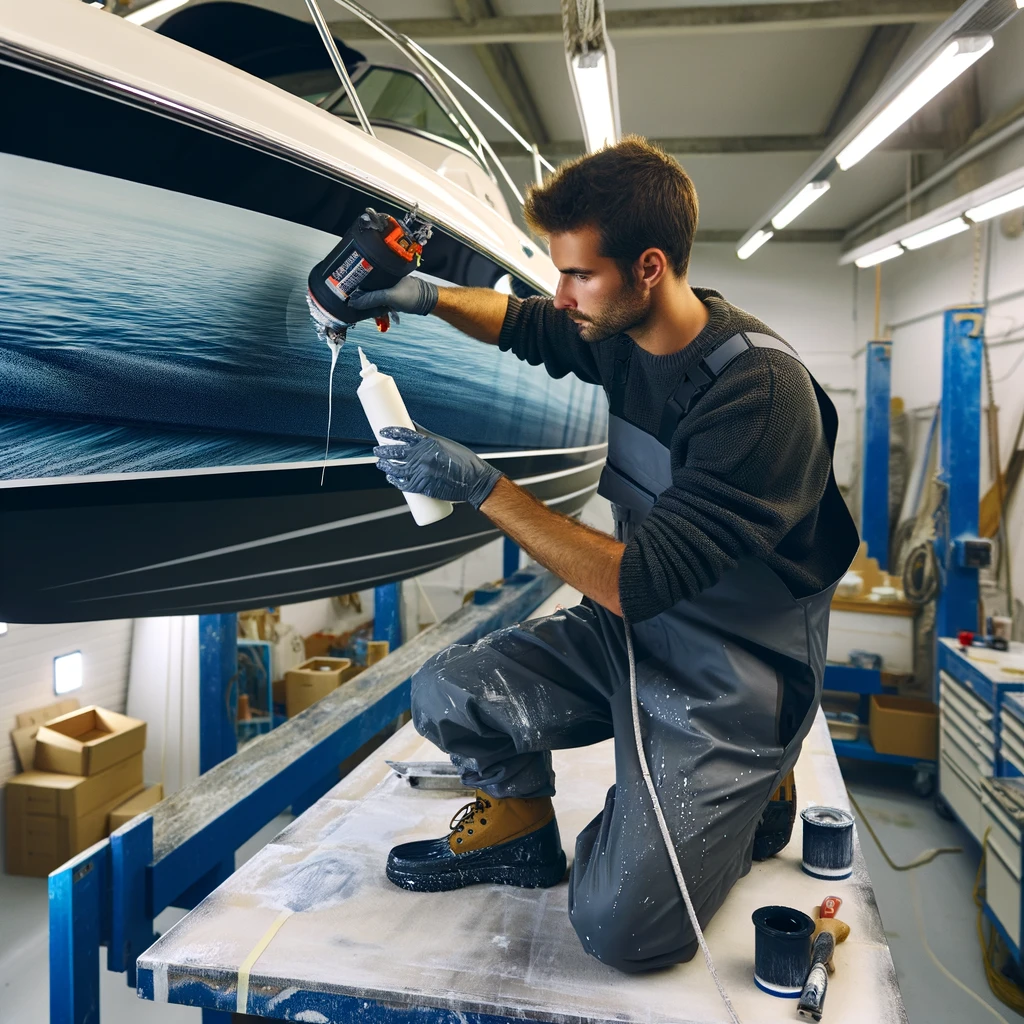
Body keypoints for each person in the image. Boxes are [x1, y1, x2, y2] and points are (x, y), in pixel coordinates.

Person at [347, 136, 859, 974]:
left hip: (736, 675)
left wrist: (481, 485)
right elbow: (524, 323)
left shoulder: (758, 397)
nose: (563, 293)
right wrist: (421, 294)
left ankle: (756, 789)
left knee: (619, 928)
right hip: (635, 633)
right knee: (447, 692)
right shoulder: (616, 328)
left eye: (579, 274)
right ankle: (518, 829)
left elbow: (637, 579)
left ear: (649, 267)